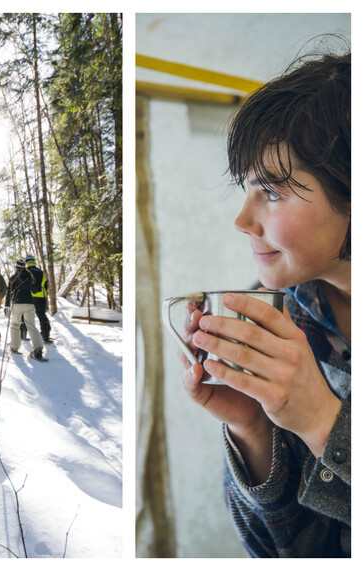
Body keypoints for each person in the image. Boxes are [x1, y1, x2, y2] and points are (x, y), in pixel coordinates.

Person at [175, 53, 349, 557]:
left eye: (271, 190)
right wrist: (252, 428)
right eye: (247, 188)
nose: (242, 220)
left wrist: (323, 422)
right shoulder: (281, 318)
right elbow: (276, 555)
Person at [5, 257, 46, 361]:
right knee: (31, 326)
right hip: (29, 303)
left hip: (17, 303)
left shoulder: (13, 277)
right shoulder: (30, 276)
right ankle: (38, 349)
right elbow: (35, 290)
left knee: (15, 325)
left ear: (16, 267)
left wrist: (7, 306)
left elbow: (9, 292)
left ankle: (14, 347)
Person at [25, 255, 52, 343]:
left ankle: (23, 335)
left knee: (25, 316)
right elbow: (45, 285)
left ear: (26, 262)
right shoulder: (42, 272)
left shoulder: (25, 272)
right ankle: (45, 336)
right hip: (41, 297)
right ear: (34, 261)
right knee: (42, 315)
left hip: (29, 297)